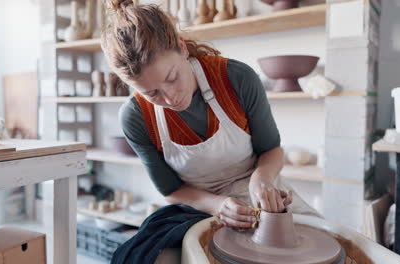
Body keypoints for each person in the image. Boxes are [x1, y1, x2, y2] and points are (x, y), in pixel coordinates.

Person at [101, 0, 319, 230]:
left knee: (323, 239)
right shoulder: (136, 117)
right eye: (152, 93)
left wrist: (262, 180)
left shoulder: (236, 78)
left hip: (255, 187)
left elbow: (272, 150)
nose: (170, 97)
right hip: (196, 205)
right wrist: (217, 205)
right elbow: (171, 191)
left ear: (182, 47)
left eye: (172, 77)